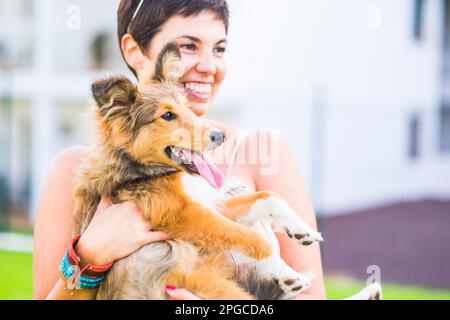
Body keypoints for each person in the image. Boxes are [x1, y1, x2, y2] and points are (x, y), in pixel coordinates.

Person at [33, 0, 326, 300]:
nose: (209, 66)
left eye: (219, 49)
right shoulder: (74, 170)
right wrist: (88, 256)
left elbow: (310, 296)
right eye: (188, 46)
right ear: (135, 51)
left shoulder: (265, 152)